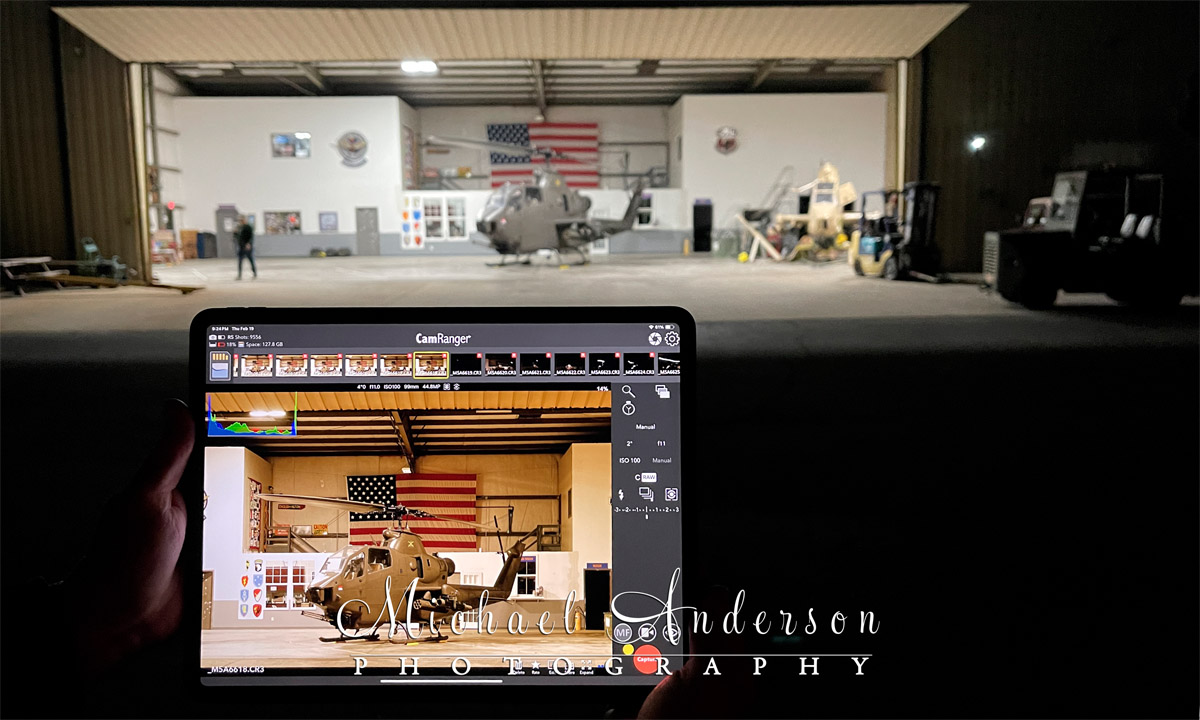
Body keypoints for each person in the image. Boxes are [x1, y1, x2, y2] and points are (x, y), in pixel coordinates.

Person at [235, 215, 257, 280]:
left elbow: (251, 236)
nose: (240, 221)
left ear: (244, 220)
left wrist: (249, 243)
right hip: (241, 246)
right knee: (240, 261)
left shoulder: (248, 227)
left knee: (250, 260)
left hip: (247, 246)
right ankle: (239, 275)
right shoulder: (239, 227)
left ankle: (254, 273)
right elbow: (238, 237)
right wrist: (235, 233)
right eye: (240, 220)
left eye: (242, 220)